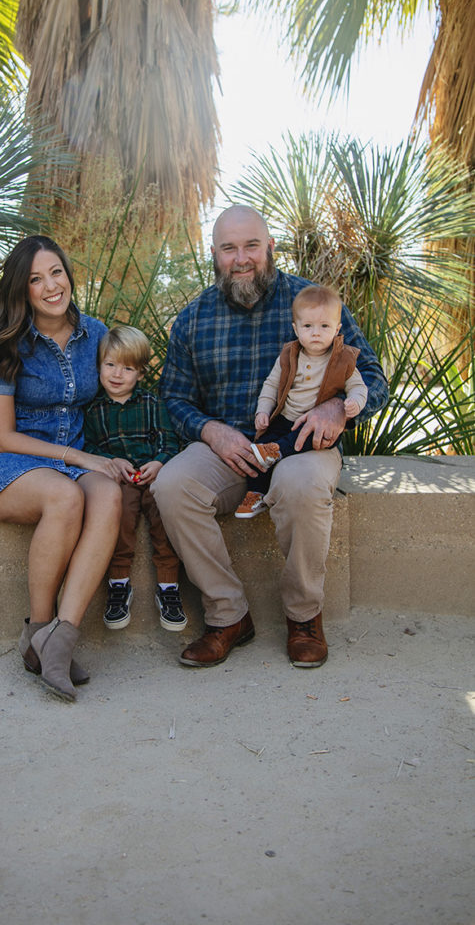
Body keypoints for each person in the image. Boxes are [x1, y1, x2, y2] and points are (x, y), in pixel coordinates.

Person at [151, 206, 388, 669]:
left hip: (303, 443)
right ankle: (228, 616)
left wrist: (337, 407)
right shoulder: (193, 320)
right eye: (229, 248)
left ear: (270, 248)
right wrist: (211, 431)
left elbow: (374, 377)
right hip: (229, 451)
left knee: (300, 485)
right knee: (173, 486)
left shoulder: (313, 304)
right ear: (214, 255)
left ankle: (303, 618)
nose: (241, 258)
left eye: (251, 246)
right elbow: (174, 400)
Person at [0, 236, 122, 702]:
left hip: (69, 454)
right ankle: (39, 629)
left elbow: (123, 390)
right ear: (21, 291)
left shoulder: (96, 333)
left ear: (68, 274)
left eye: (57, 272)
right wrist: (80, 459)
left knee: (108, 494)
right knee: (65, 496)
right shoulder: (5, 344)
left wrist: (130, 453)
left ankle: (59, 640)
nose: (50, 286)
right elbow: (1, 435)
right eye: (35, 279)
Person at [235, 283, 368, 519]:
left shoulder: (343, 360)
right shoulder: (288, 355)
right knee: (257, 450)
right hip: (285, 418)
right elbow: (271, 385)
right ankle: (255, 494)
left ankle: (277, 451)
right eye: (308, 326)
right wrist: (262, 411)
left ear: (337, 329)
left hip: (315, 426)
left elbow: (358, 385)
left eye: (324, 326)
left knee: (306, 439)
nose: (316, 332)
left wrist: (355, 403)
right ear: (296, 329)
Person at [83, 325, 185, 632]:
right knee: (120, 515)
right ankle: (119, 584)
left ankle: (168, 588)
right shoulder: (93, 410)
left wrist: (159, 462)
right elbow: (88, 446)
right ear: (99, 366)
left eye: (127, 368)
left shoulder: (153, 405)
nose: (117, 374)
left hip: (153, 478)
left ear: (140, 374)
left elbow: (170, 442)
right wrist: (111, 461)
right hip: (121, 480)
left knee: (164, 516)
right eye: (110, 365)